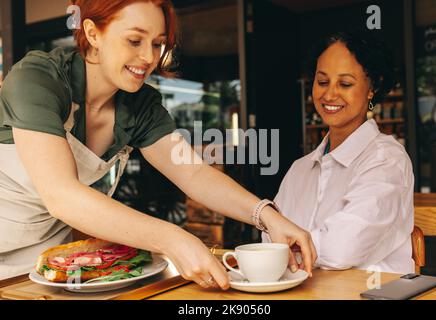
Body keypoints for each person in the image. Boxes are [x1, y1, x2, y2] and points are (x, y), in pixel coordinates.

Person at [0, 0, 317, 284]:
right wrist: (172, 238)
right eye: (134, 40)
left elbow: (192, 173)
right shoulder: (38, 79)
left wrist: (267, 215)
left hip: (44, 255)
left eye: (157, 43)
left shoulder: (139, 104)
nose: (149, 57)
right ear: (92, 33)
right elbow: (61, 195)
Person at [263, 31, 415, 274]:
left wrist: (289, 247)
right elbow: (268, 238)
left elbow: (343, 249)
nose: (330, 94)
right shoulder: (300, 169)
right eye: (322, 82)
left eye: (345, 84)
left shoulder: (385, 160)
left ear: (371, 88)